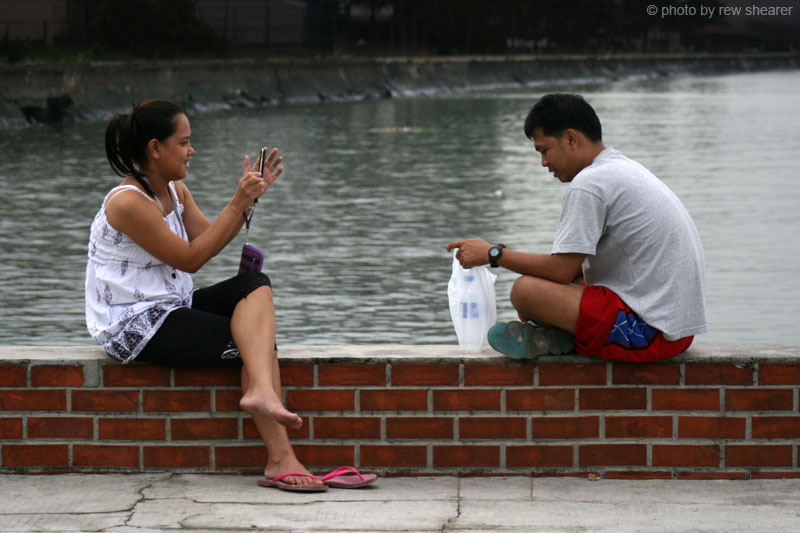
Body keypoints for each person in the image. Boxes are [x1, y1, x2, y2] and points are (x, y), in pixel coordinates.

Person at [85, 99, 375, 491]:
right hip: (135, 325)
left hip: (173, 307)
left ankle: (262, 400)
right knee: (256, 343)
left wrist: (248, 201)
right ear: (155, 148)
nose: (192, 151)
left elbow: (208, 238)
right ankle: (280, 458)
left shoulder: (175, 190)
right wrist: (237, 202)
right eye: (184, 143)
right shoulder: (128, 203)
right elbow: (191, 259)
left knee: (254, 286)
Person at [447, 93, 707, 363]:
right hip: (676, 332)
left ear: (571, 139)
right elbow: (568, 272)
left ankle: (556, 337)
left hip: (650, 334)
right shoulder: (620, 168)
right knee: (545, 289)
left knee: (525, 292)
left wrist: (493, 254)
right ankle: (558, 338)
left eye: (544, 150)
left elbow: (561, 271)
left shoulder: (590, 183)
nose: (544, 163)